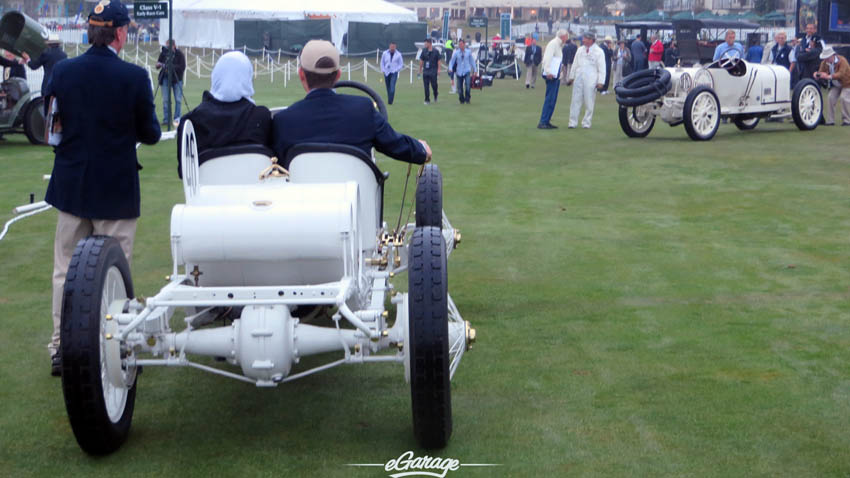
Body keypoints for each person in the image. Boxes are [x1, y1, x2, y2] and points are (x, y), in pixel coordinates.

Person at [44, 0, 160, 376]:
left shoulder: (62, 71)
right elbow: (151, 134)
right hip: (115, 188)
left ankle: (62, 346)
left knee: (65, 270)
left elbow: (52, 130)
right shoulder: (133, 77)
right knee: (114, 272)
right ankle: (115, 345)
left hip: (72, 185)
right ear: (121, 32)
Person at [272, 40, 430, 165]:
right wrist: (421, 149)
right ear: (338, 75)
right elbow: (395, 144)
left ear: (301, 75)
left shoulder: (283, 121)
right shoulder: (363, 110)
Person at [176, 51, 272, 177]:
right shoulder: (261, 117)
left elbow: (184, 173)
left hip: (207, 195)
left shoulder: (191, 121)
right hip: (252, 194)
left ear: (216, 76)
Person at [567, 31, 605, 129]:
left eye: (585, 38)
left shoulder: (599, 51)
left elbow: (602, 68)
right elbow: (575, 64)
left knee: (589, 101)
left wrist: (601, 82)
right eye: (583, 38)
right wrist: (571, 77)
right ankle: (572, 122)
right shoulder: (580, 50)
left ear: (591, 40)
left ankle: (587, 122)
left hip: (591, 78)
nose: (583, 40)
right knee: (575, 100)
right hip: (579, 77)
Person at [537, 29, 567, 129]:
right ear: (563, 36)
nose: (567, 39)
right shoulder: (553, 44)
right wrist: (548, 71)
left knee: (553, 99)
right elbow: (547, 58)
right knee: (549, 98)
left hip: (556, 75)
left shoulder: (558, 45)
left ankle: (547, 120)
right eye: (566, 37)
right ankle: (543, 121)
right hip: (551, 75)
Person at [814, 46, 850, 126]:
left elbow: (841, 73)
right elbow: (820, 72)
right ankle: (830, 121)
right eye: (825, 58)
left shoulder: (842, 60)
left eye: (827, 57)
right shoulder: (824, 63)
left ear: (832, 55)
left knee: (844, 98)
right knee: (830, 97)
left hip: (847, 83)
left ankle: (847, 120)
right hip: (835, 84)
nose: (826, 59)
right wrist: (817, 74)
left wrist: (828, 76)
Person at [156, 39, 186, 127]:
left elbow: (182, 67)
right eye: (166, 46)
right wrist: (160, 65)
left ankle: (177, 119)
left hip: (177, 79)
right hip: (165, 78)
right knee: (166, 100)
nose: (167, 48)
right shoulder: (164, 53)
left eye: (168, 46)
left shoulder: (179, 54)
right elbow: (158, 64)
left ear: (173, 46)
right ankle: (166, 119)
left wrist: (171, 67)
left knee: (178, 100)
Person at [448, 38, 476, 104]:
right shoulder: (456, 53)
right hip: (459, 72)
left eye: (461, 44)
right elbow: (452, 61)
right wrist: (450, 68)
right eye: (459, 44)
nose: (460, 46)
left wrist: (475, 69)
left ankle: (467, 98)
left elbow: (472, 61)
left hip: (467, 71)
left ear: (464, 44)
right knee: (459, 88)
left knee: (468, 85)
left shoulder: (468, 52)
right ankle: (461, 100)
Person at [419, 38, 440, 105]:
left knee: (434, 85)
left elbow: (439, 61)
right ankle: (427, 99)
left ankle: (435, 94)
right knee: (426, 86)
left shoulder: (436, 51)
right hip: (426, 71)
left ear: (430, 43)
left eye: (426, 43)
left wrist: (439, 69)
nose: (425, 44)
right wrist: (420, 70)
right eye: (424, 43)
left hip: (433, 70)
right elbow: (421, 60)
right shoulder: (424, 51)